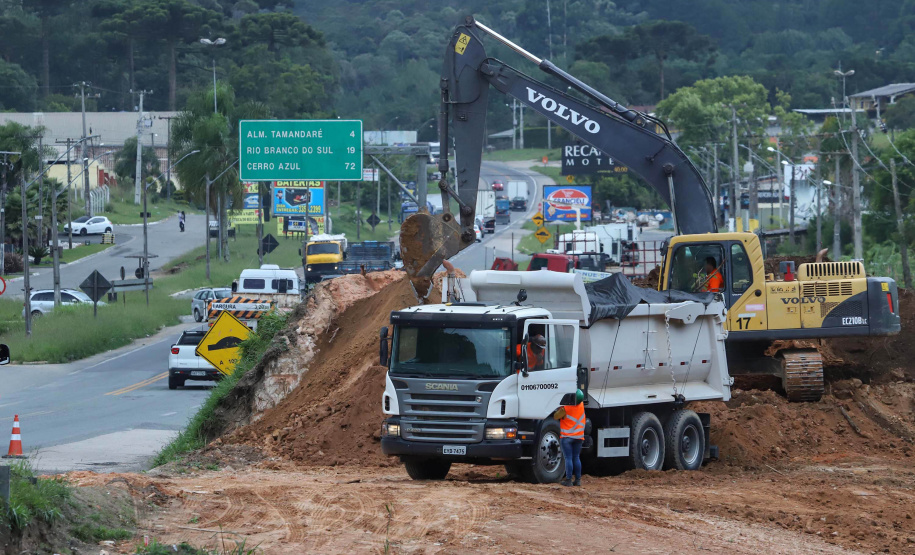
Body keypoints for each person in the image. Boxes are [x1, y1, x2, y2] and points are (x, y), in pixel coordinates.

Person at [555, 389, 585, 487]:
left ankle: (568, 480)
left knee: (568, 458)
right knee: (576, 457)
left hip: (567, 437)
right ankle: (578, 480)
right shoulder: (581, 406)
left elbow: (556, 416)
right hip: (579, 437)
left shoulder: (566, 408)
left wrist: (558, 408)